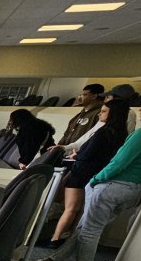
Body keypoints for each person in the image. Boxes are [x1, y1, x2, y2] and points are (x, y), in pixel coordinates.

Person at [28, 89, 141, 261]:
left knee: (89, 230)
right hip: (135, 190)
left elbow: (119, 162)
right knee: (84, 227)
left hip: (113, 186)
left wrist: (95, 180)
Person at [42, 98, 130, 249]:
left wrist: (77, 155)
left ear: (113, 114)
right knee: (80, 210)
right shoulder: (122, 133)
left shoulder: (103, 132)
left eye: (103, 112)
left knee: (70, 208)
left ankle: (55, 239)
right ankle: (69, 241)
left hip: (81, 173)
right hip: (96, 174)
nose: (99, 115)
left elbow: (88, 153)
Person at [54, 84, 138, 157]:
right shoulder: (105, 114)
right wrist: (65, 147)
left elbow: (126, 140)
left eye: (108, 97)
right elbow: (87, 137)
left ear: (118, 99)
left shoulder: (129, 114)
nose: (105, 100)